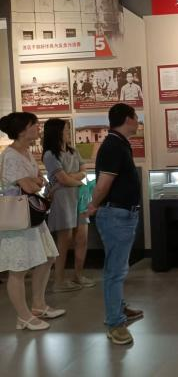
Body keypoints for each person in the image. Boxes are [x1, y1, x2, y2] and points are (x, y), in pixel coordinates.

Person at [85, 103, 143, 345]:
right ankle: (114, 323)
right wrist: (93, 205)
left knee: (119, 268)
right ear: (127, 119)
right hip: (115, 215)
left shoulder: (119, 143)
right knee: (115, 271)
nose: (138, 122)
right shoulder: (112, 145)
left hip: (123, 214)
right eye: (136, 117)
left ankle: (118, 308)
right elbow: (103, 184)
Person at [0, 112, 64, 331]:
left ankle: (38, 305)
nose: (38, 128)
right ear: (21, 130)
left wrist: (34, 181)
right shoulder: (11, 155)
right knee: (18, 268)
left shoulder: (26, 152)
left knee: (48, 257)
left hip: (32, 214)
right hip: (18, 218)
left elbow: (39, 180)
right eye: (34, 125)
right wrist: (34, 182)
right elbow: (29, 186)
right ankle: (23, 316)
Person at [42, 118, 95, 293]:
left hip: (79, 198)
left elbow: (83, 172)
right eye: (65, 129)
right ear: (56, 132)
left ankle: (78, 275)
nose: (67, 132)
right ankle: (59, 281)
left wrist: (70, 178)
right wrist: (76, 180)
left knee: (82, 238)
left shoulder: (73, 151)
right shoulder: (50, 154)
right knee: (64, 240)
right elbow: (63, 179)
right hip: (62, 200)